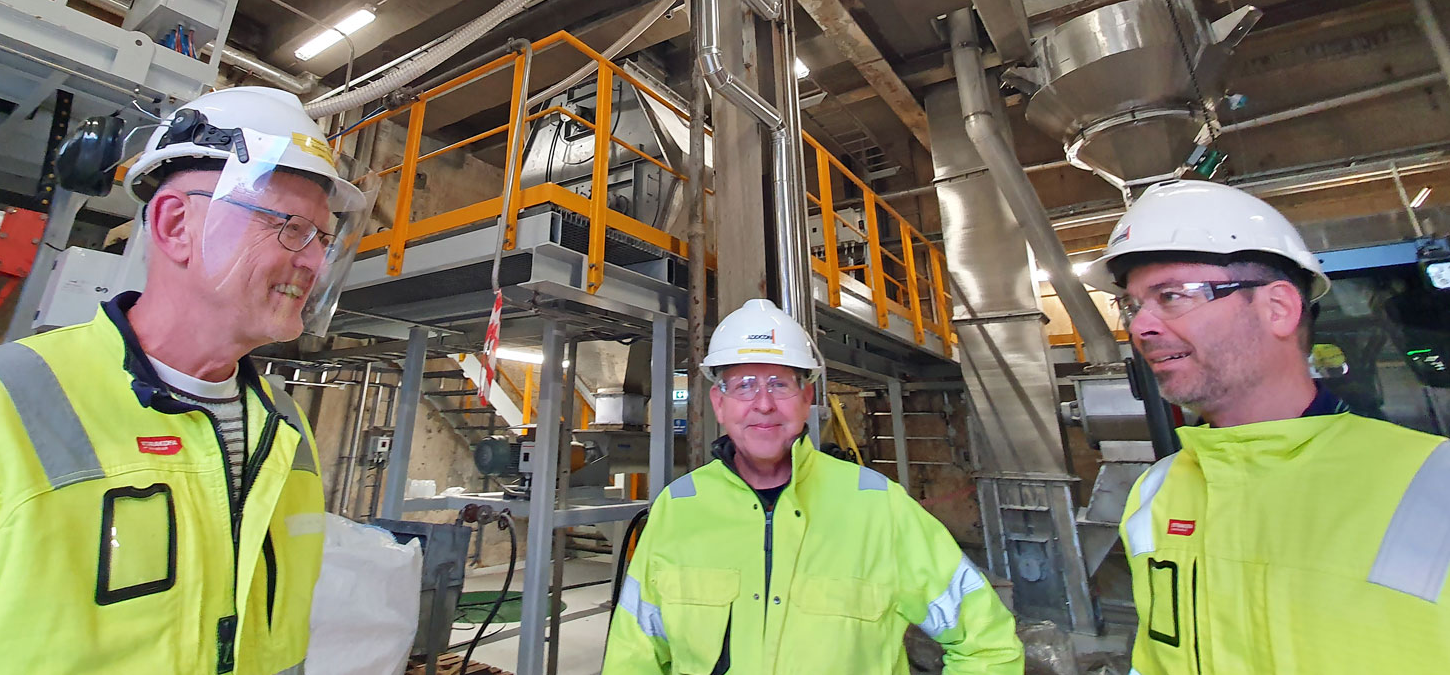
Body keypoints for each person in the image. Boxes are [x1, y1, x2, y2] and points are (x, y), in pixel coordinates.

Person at [0, 87, 378, 674]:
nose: (316, 263)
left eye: (324, 240)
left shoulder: (285, 426)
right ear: (176, 225)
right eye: (292, 229)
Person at [1084, 180, 1450, 674]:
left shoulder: (1435, 488)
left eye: (1171, 296)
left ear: (1278, 308)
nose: (1140, 327)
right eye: (1132, 305)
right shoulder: (1157, 491)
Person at [603, 298, 1023, 674]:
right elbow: (634, 656)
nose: (763, 403)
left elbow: (989, 645)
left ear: (806, 399)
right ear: (719, 403)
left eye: (779, 384)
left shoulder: (879, 507)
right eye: (745, 384)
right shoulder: (678, 509)